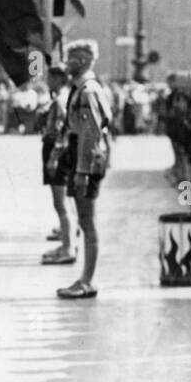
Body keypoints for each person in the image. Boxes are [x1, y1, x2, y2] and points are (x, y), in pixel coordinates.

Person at [55, 40, 113, 299]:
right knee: (85, 220)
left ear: (82, 61)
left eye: (70, 59)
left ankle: (87, 280)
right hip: (84, 159)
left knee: (87, 221)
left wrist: (82, 171)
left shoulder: (87, 91)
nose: (66, 64)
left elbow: (89, 135)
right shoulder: (82, 89)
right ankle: (85, 278)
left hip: (87, 161)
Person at [41, 65, 75, 265]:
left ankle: (68, 247)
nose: (47, 82)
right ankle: (67, 243)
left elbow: (62, 132)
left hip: (57, 153)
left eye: (50, 78)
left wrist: (54, 157)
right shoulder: (63, 98)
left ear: (58, 80)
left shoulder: (60, 101)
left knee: (60, 204)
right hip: (58, 152)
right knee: (64, 203)